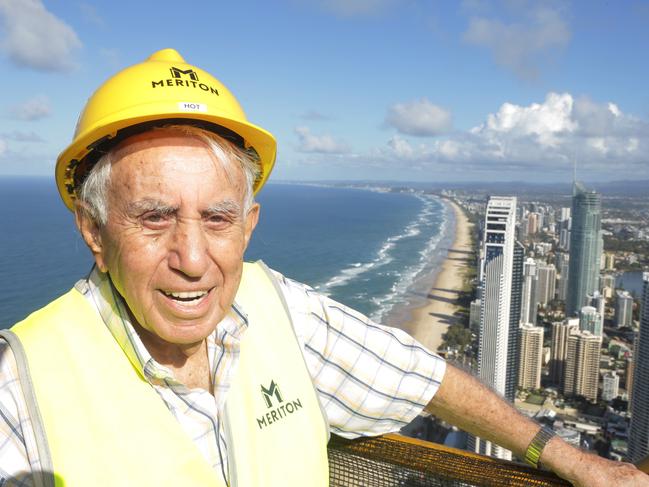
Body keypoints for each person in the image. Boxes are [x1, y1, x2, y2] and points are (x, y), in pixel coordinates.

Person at [0, 49, 646, 487]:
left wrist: (561, 456)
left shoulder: (282, 310)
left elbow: (423, 379)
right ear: (93, 230)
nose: (193, 259)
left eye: (217, 218)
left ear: (248, 225)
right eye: (154, 217)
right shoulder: (18, 384)